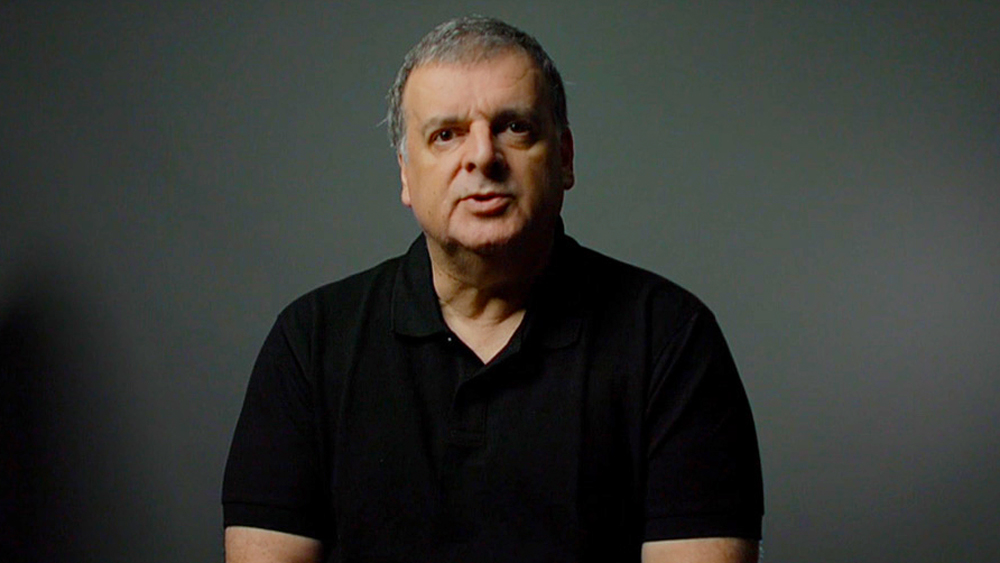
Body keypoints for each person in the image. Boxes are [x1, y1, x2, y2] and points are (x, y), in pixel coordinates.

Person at [222, 15, 763, 563]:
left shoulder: (671, 339)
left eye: (515, 127)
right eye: (446, 134)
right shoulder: (311, 342)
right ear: (406, 174)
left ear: (565, 159)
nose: (482, 155)